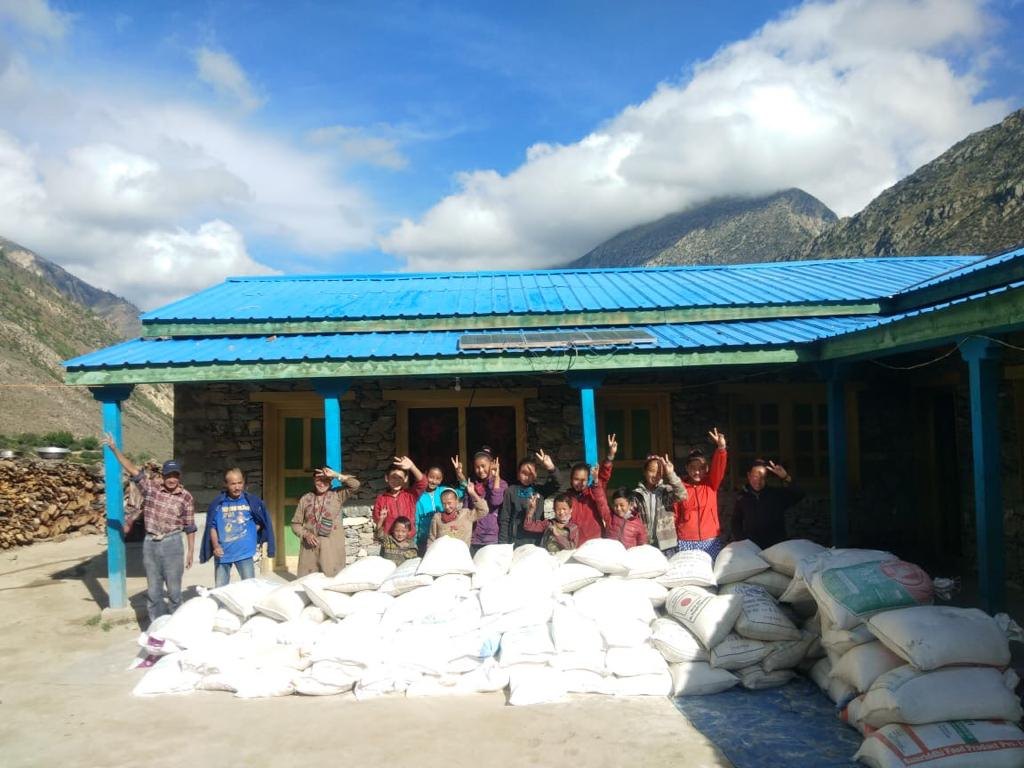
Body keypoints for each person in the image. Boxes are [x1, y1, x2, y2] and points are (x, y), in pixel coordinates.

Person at [101, 433, 196, 622]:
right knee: (154, 591)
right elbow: (132, 470)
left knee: (175, 591)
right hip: (151, 543)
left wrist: (191, 551)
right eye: (168, 475)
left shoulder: (186, 497)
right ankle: (157, 629)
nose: (172, 479)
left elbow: (190, 526)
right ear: (163, 476)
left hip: (173, 543)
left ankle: (177, 627)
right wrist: (113, 449)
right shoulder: (151, 489)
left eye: (175, 475)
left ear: (179, 476)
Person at [200, 467, 275, 587]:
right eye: (233, 484)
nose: (237, 487)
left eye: (240, 483)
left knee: (250, 587)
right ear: (226, 484)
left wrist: (250, 533)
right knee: (221, 589)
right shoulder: (218, 504)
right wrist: (216, 546)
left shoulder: (251, 501)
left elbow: (261, 521)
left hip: (244, 553)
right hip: (223, 554)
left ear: (244, 483)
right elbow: (212, 527)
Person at [291, 466, 360, 577]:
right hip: (310, 550)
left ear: (331, 480)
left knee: (331, 584)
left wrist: (336, 475)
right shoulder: (305, 499)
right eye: (319, 480)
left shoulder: (337, 495)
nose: (322, 483)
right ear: (313, 480)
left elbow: (355, 485)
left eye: (326, 479)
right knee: (308, 583)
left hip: (331, 549)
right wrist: (306, 534)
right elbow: (295, 524)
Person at [674, 428, 728, 560]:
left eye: (701, 468)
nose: (697, 472)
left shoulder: (711, 484)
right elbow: (675, 514)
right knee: (689, 576)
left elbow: (719, 467)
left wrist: (721, 448)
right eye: (693, 468)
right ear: (687, 468)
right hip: (686, 540)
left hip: (709, 539)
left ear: (707, 469)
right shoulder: (680, 488)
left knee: (710, 573)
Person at [731, 459, 805, 549]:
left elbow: (800, 494)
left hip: (776, 547)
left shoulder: (776, 495)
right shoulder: (742, 497)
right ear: (749, 476)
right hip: (752, 548)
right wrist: (742, 541)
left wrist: (785, 477)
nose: (758, 481)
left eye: (762, 477)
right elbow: (736, 521)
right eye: (755, 476)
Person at [498, 449, 564, 547]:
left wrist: (551, 468)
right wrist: (503, 545)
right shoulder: (510, 491)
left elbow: (557, 483)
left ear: (535, 475)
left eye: (531, 474)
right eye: (524, 473)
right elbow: (505, 519)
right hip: (516, 540)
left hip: (537, 539)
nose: (527, 477)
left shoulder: (539, 490)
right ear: (518, 474)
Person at [451, 448, 507, 554]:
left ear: (492, 464)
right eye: (477, 467)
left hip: (490, 537)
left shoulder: (501, 483)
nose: (480, 470)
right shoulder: (473, 484)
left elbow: (495, 501)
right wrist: (459, 473)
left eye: (483, 466)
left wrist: (496, 477)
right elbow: (466, 508)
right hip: (473, 536)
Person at [565, 434, 617, 545]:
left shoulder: (594, 492)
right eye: (576, 479)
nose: (579, 482)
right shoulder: (567, 497)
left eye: (583, 479)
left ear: (588, 479)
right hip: (575, 542)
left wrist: (610, 456)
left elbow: (603, 476)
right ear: (571, 479)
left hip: (595, 540)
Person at [634, 454, 686, 554]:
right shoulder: (637, 494)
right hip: (644, 543)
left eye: (659, 472)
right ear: (645, 472)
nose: (655, 475)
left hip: (666, 544)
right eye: (652, 471)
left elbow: (682, 495)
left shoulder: (666, 491)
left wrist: (671, 474)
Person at [372, 456, 427, 540]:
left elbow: (423, 483)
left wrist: (412, 466)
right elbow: (377, 520)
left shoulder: (410, 495)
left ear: (406, 479)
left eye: (400, 478)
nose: (396, 481)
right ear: (387, 478)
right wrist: (381, 519)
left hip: (408, 541)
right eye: (393, 477)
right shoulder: (381, 499)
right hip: (389, 542)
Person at [413, 465, 462, 554]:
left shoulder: (444, 491)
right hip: (424, 541)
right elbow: (416, 521)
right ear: (425, 475)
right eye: (431, 477)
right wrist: (414, 543)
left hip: (444, 539)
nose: (434, 481)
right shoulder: (419, 496)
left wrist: (460, 474)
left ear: (441, 479)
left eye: (438, 478)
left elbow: (462, 491)